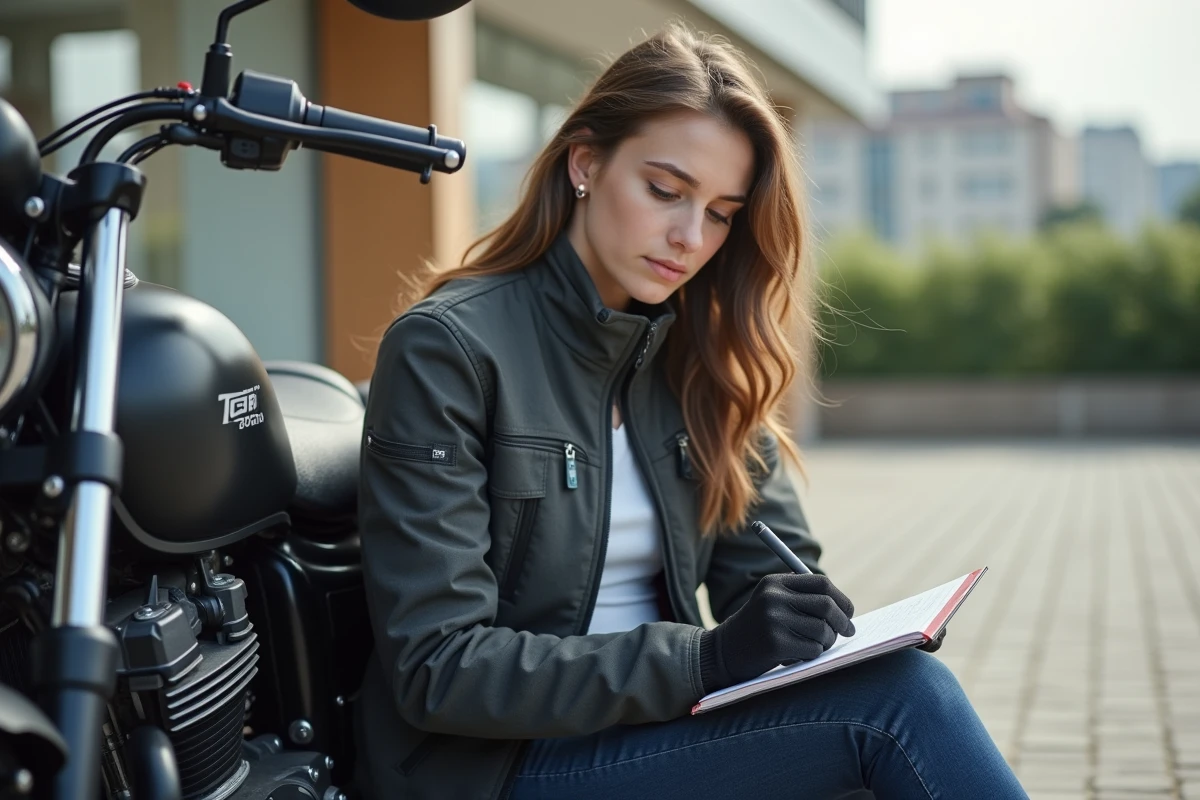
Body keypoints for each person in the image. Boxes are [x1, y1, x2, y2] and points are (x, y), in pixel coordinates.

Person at [354, 22, 1028, 800]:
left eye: (721, 212)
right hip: (489, 767)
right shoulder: (450, 350)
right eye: (666, 191)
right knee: (900, 710)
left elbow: (765, 584)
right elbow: (437, 667)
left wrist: (815, 631)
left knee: (890, 694)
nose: (689, 236)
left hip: (657, 731)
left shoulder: (701, 357)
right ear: (585, 163)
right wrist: (704, 660)